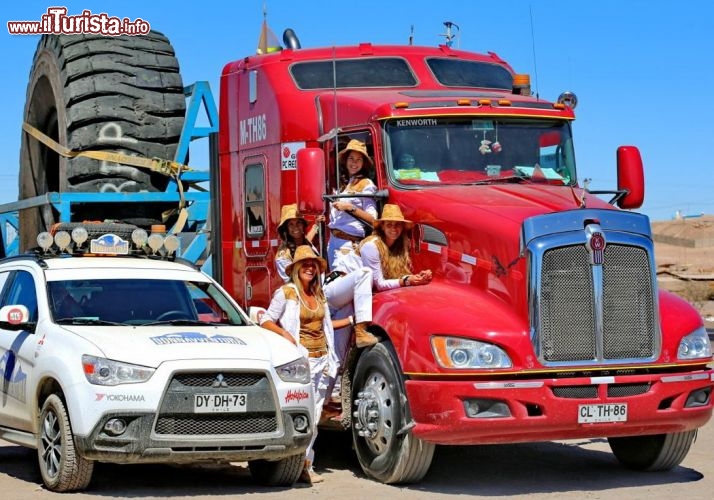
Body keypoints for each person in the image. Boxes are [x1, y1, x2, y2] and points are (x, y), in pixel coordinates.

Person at [259, 245, 352, 485]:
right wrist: (285, 336)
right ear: (297, 269)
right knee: (303, 411)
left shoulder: (319, 294)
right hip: (301, 360)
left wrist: (353, 320)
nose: (310, 268)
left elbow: (327, 326)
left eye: (314, 265)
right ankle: (297, 463)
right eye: (306, 264)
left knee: (317, 412)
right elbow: (266, 319)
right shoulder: (287, 293)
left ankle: (305, 463)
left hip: (322, 360)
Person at [276, 204, 377, 351]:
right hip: (315, 300)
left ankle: (338, 369)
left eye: (298, 222)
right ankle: (361, 330)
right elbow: (292, 286)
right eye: (290, 224)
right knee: (364, 273)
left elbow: (308, 240)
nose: (295, 227)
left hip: (325, 293)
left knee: (339, 346)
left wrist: (317, 225)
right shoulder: (282, 256)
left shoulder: (306, 244)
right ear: (285, 229)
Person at [327, 139, 379, 269]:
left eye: (358, 159)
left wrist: (349, 207)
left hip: (349, 245)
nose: (354, 163)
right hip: (334, 242)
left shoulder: (366, 184)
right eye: (351, 158)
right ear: (345, 161)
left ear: (364, 163)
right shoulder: (341, 184)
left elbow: (373, 220)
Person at [358, 204, 433, 291]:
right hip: (347, 287)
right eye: (389, 225)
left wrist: (417, 277)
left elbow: (396, 277)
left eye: (397, 224)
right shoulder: (371, 246)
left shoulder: (400, 245)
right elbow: (379, 285)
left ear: (402, 227)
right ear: (382, 227)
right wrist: (407, 281)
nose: (394, 228)